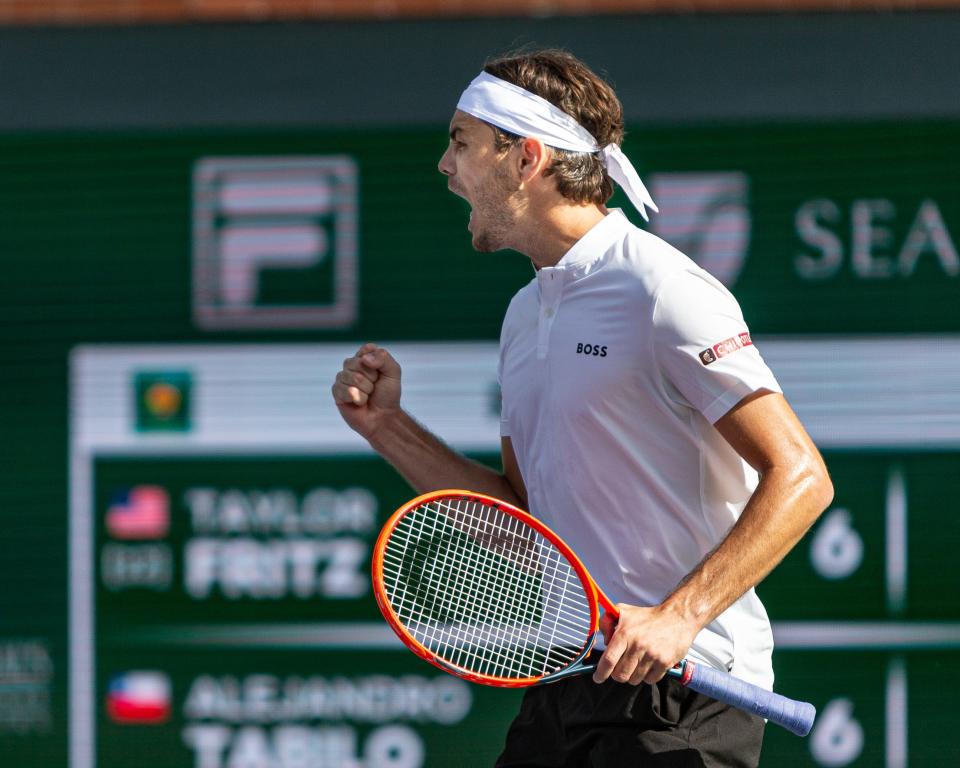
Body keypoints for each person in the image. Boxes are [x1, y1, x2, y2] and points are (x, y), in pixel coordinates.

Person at [332, 49, 833, 767]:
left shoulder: (661, 288)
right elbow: (525, 525)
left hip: (685, 697)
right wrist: (387, 427)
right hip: (567, 683)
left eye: (462, 144)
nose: (446, 166)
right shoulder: (521, 315)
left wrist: (677, 618)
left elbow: (802, 476)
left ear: (526, 157)